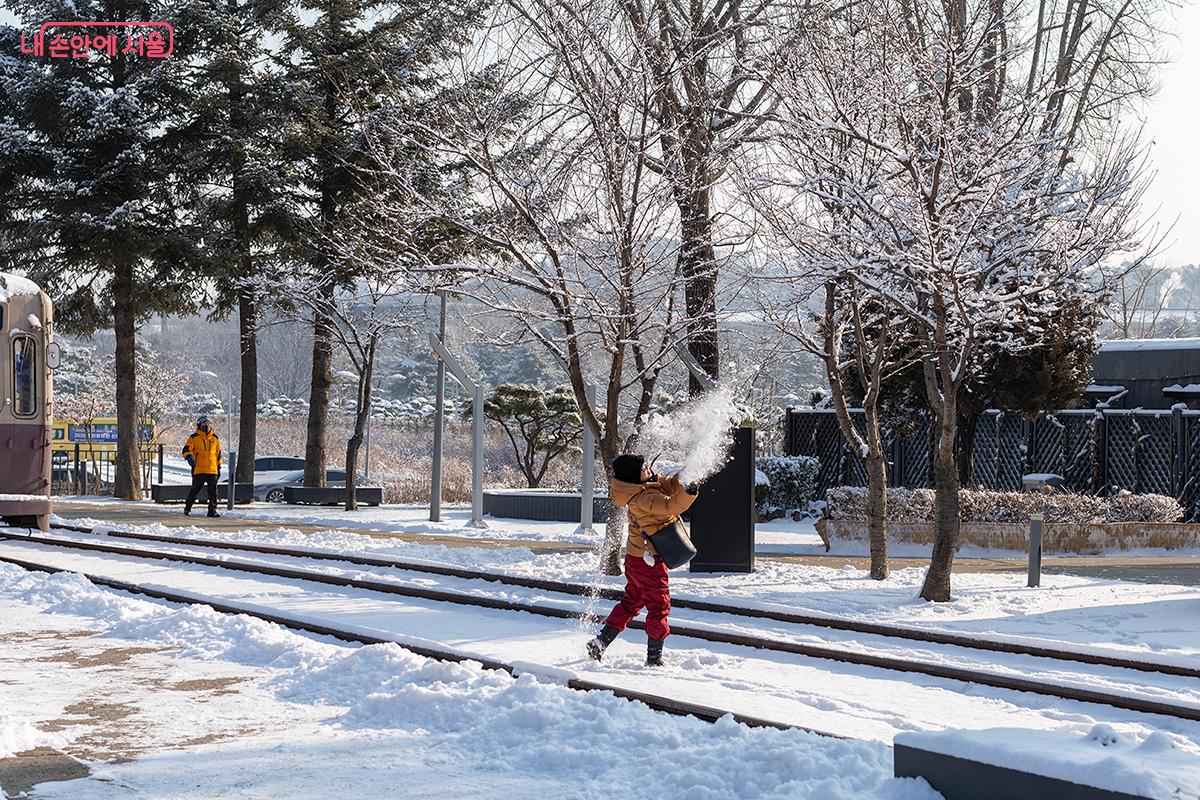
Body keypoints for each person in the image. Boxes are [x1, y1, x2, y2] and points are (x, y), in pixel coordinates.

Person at [586, 454, 699, 667]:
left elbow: (673, 484)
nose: (647, 467)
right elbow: (671, 506)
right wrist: (690, 492)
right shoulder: (643, 498)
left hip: (635, 560)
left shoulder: (644, 487)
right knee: (659, 606)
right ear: (634, 477)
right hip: (650, 563)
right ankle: (654, 658)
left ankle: (601, 641)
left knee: (631, 602)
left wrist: (689, 472)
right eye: (642, 467)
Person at [182, 415, 222, 517]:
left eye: (209, 424)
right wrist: (189, 457)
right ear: (199, 425)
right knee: (195, 490)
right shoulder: (194, 437)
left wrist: (219, 467)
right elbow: (186, 449)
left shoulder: (215, 438)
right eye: (204, 424)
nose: (207, 426)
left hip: (212, 470)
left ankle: (212, 511)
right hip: (199, 469)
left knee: (213, 492)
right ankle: (188, 507)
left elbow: (218, 454)